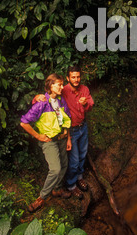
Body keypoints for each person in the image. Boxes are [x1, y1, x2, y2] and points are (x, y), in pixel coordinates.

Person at [33, 64, 94, 199]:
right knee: (74, 160)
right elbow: (48, 96)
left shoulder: (84, 89)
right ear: (68, 78)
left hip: (83, 127)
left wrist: (86, 104)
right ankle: (71, 185)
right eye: (73, 77)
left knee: (83, 154)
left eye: (78, 77)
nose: (76, 79)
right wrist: (37, 97)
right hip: (70, 130)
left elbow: (91, 105)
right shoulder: (63, 90)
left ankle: (79, 177)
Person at [20, 73, 72, 213]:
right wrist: (38, 136)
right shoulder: (41, 103)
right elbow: (24, 122)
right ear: (51, 85)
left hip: (61, 139)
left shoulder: (61, 101)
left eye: (62, 84)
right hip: (49, 141)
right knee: (55, 169)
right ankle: (41, 198)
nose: (62, 87)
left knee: (64, 165)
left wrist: (67, 138)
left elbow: (67, 118)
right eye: (59, 84)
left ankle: (57, 189)